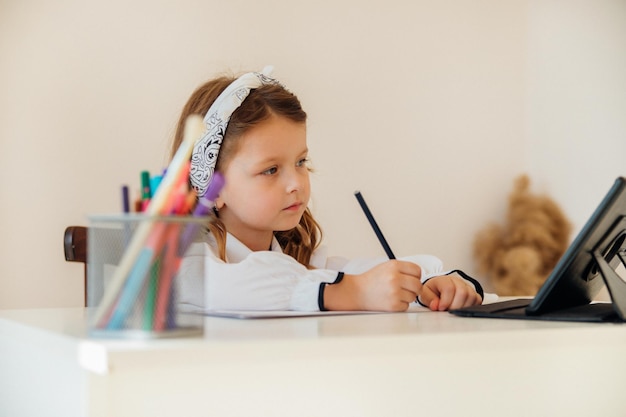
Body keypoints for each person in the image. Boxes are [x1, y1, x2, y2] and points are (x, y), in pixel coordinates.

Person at [172, 67, 485, 312]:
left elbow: (351, 271)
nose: (296, 183)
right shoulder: (189, 258)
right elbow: (229, 284)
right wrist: (351, 291)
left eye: (301, 161)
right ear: (212, 186)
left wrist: (426, 284)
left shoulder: (296, 259)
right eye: (270, 170)